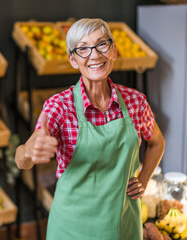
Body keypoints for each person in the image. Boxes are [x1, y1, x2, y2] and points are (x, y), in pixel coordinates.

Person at [15, 18, 165, 240]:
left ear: (113, 51)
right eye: (83, 49)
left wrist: (143, 179)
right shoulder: (59, 107)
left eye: (101, 45)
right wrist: (28, 151)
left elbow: (157, 142)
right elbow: (21, 158)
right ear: (73, 59)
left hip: (123, 225)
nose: (94, 55)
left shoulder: (136, 101)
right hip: (72, 229)